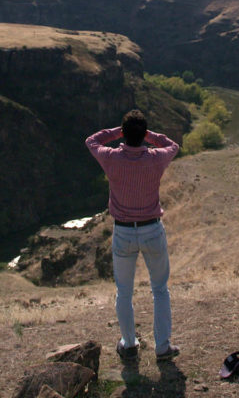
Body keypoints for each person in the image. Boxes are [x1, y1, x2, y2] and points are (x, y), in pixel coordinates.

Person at [86, 109, 181, 362]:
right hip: (152, 229)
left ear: (124, 134)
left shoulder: (111, 158)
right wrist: (149, 136)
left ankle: (129, 343)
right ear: (143, 134)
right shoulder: (156, 158)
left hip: (123, 231)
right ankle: (162, 347)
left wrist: (118, 131)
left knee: (124, 291)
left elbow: (91, 141)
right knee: (159, 289)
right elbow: (173, 145)